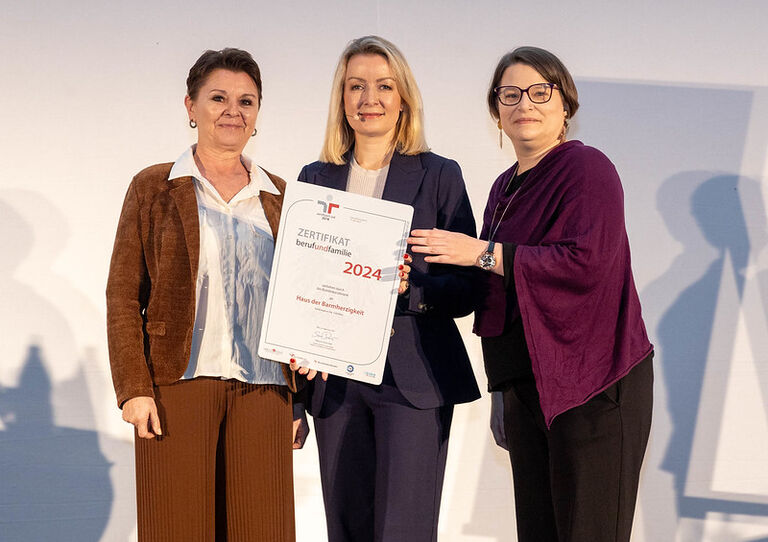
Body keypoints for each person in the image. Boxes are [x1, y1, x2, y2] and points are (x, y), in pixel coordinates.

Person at [408, 46, 654, 542]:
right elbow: (492, 295)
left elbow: (585, 263)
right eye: (511, 94)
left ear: (566, 105)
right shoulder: (503, 188)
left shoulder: (587, 169)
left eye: (541, 92)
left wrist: (480, 252)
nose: (526, 104)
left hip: (593, 384)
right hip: (527, 387)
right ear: (496, 111)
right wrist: (500, 390)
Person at [106, 48, 300, 542]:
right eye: (218, 98)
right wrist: (133, 388)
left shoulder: (282, 196)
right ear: (191, 106)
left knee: (264, 532)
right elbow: (124, 295)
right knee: (176, 530)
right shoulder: (153, 187)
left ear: (257, 114)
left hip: (265, 389)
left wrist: (303, 401)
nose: (232, 110)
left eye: (246, 101)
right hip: (176, 385)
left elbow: (301, 301)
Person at [294, 35, 480, 542]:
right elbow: (296, 291)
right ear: (341, 100)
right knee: (347, 529)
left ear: (404, 99)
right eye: (355, 86)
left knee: (404, 531)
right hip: (336, 385)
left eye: (383, 85)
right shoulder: (315, 178)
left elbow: (469, 288)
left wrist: (409, 291)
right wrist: (293, 400)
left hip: (413, 381)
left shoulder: (440, 175)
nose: (368, 98)